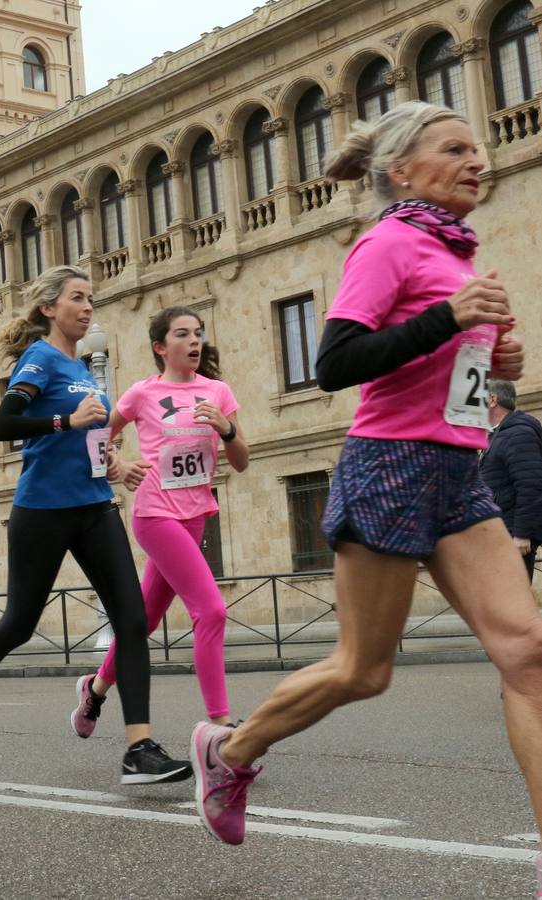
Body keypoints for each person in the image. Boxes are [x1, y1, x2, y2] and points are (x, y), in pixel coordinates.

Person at [189, 105, 542, 893]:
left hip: (459, 476)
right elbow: (337, 362)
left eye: (477, 148)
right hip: (389, 469)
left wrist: (494, 351)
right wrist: (448, 319)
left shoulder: (461, 254)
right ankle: (228, 750)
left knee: (528, 654)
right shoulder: (385, 242)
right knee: (362, 670)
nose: (476, 159)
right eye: (453, 149)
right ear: (401, 171)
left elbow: (452, 371)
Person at [0, 265, 191, 785]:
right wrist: (63, 421)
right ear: (50, 308)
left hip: (94, 505)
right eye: (77, 297)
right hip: (43, 511)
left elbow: (90, 443)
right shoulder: (41, 359)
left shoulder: (84, 371)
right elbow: (3, 425)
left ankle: (138, 748)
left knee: (134, 621)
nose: (88, 305)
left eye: (91, 298)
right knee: (19, 625)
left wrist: (115, 464)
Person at [74, 307, 247, 737]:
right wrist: (118, 463)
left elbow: (241, 462)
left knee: (144, 621)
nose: (194, 342)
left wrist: (227, 430)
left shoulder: (218, 392)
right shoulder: (141, 394)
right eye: (183, 334)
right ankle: (221, 726)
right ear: (160, 347)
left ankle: (94, 690)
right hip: (155, 513)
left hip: (195, 517)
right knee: (211, 611)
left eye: (198, 334)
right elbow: (99, 439)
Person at [480, 379, 542, 581]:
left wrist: (523, 534)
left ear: (492, 399)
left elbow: (531, 486)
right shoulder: (496, 435)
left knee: (509, 607)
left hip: (513, 537)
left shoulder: (518, 433)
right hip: (497, 533)